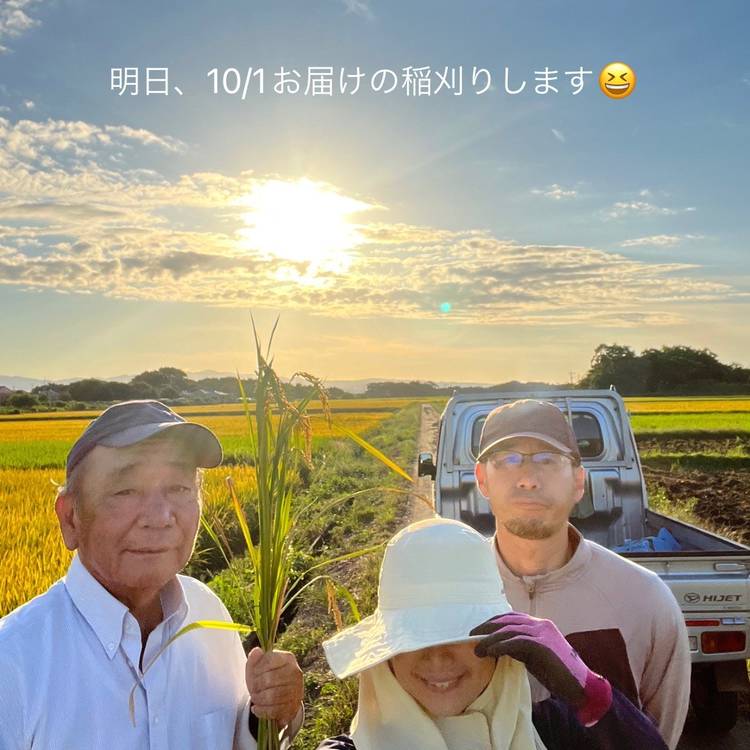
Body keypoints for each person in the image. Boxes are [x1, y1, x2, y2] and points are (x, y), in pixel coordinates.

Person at [0, 400, 304, 750]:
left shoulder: (208, 613)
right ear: (70, 518)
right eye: (125, 490)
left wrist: (271, 711)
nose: (160, 517)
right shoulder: (13, 662)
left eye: (179, 488)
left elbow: (235, 738)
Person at [317, 518, 668, 750]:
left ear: (501, 645)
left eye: (460, 634)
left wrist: (589, 691)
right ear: (386, 656)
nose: (437, 656)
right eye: (413, 639)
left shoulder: (550, 731)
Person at [474, 399, 690, 749]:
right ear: (482, 479)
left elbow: (659, 735)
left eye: (548, 460)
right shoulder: (448, 594)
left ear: (578, 482)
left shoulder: (644, 598)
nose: (527, 479)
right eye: (507, 459)